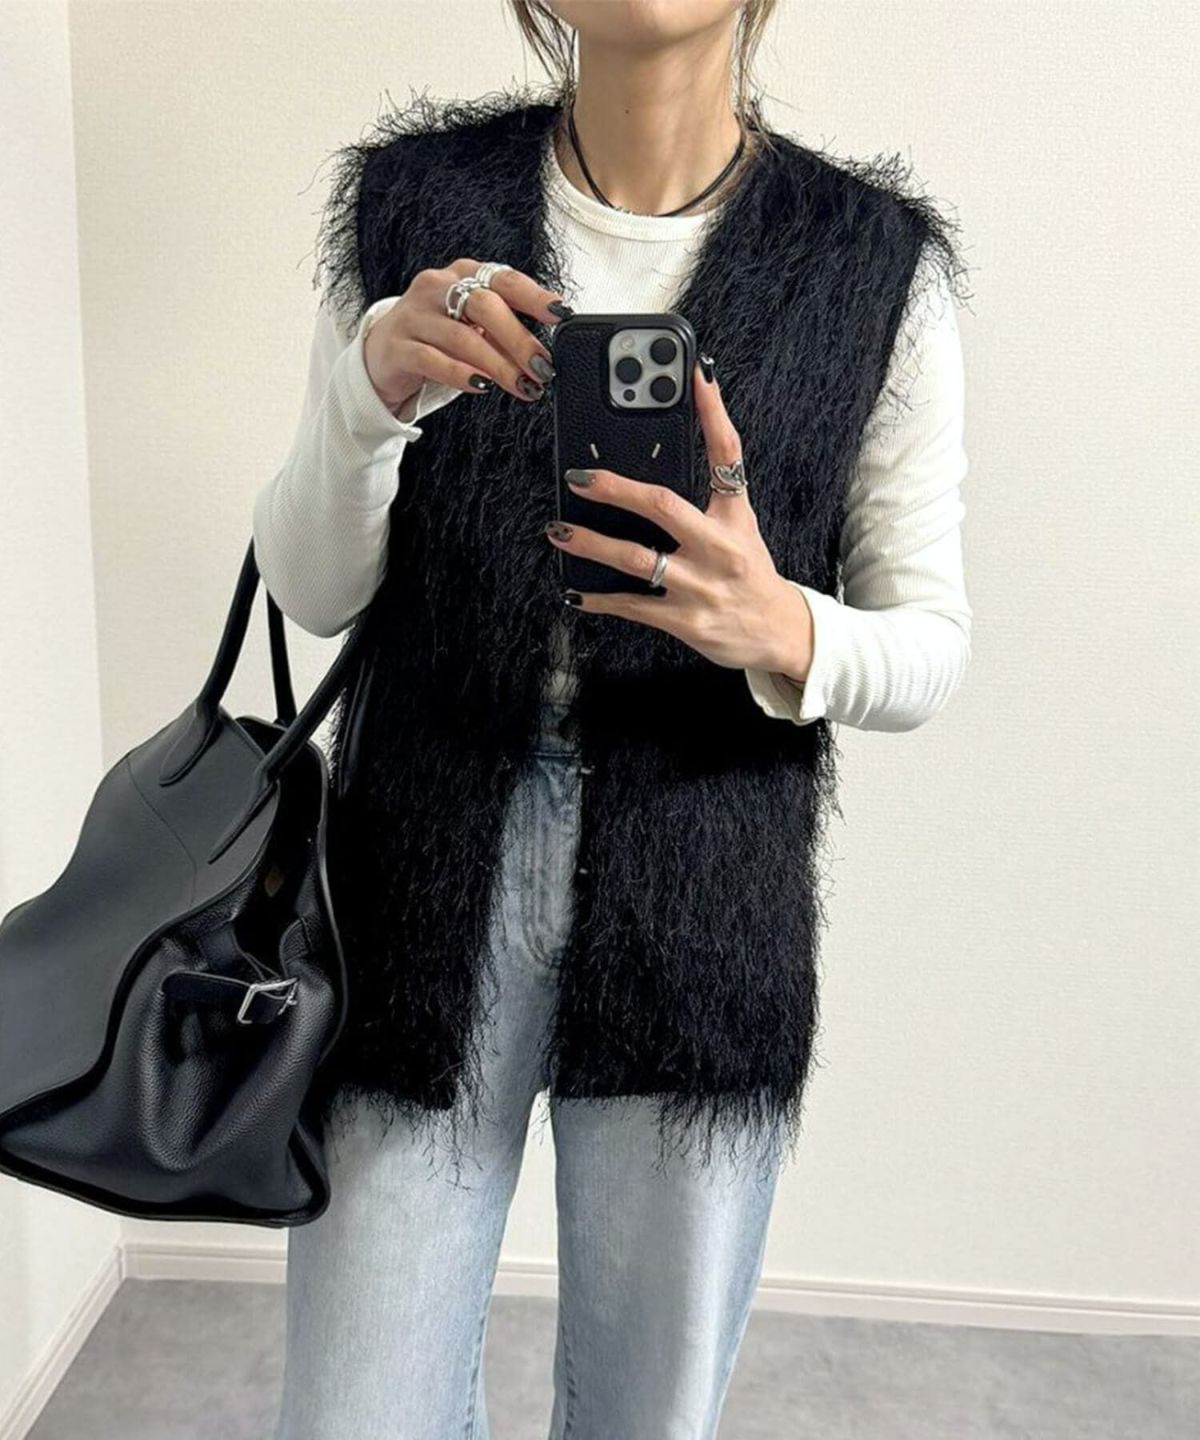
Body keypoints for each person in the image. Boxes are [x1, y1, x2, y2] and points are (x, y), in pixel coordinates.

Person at [254, 3, 972, 1436]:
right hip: (412, 871)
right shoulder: (415, 207)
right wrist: (373, 389)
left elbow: (929, 644)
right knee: (355, 1410)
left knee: (649, 1411)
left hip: (706, 880)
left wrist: (783, 626)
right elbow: (312, 587)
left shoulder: (871, 261)